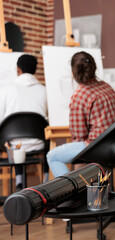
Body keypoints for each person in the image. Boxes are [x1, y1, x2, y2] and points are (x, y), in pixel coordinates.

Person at [47, 51, 115, 177]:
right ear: (94, 68)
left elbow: (79, 136)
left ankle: (72, 191)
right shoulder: (106, 87)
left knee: (52, 156)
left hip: (99, 148)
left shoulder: (80, 95)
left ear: (73, 72)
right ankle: (82, 188)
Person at [0, 54, 48, 191]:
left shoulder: (6, 90)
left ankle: (19, 182)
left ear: (18, 69)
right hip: (39, 143)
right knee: (49, 137)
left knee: (15, 142)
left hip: (13, 144)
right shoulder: (44, 90)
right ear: (34, 70)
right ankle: (46, 179)